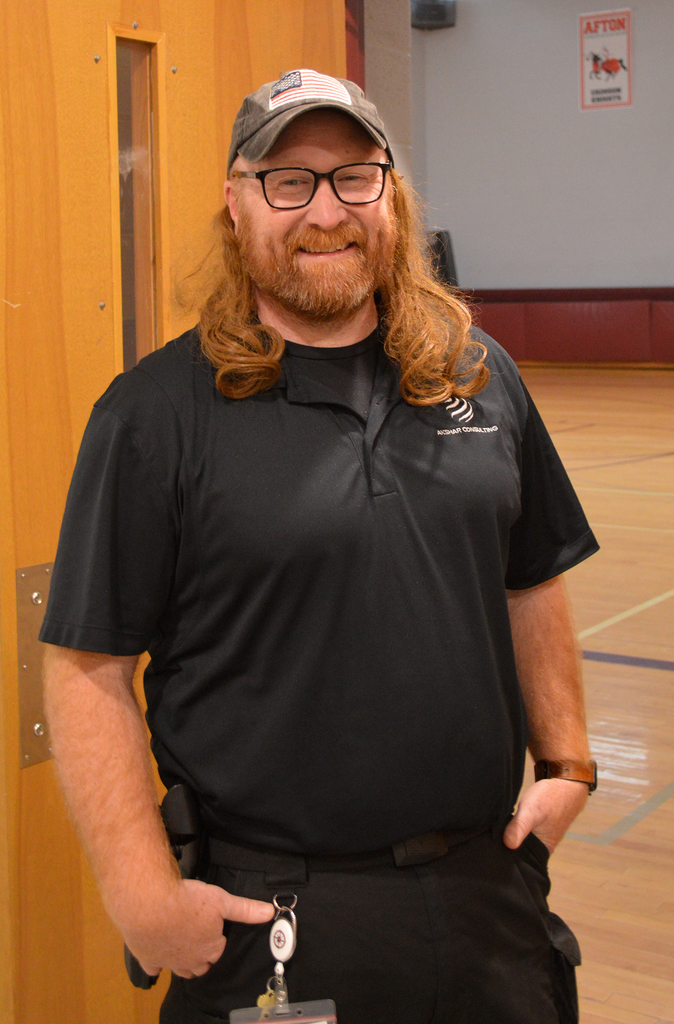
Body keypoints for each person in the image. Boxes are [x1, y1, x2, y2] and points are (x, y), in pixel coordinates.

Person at [41, 69, 599, 1024]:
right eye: (287, 180)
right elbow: (87, 663)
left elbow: (529, 573)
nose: (326, 211)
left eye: (354, 176)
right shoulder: (154, 416)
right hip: (276, 921)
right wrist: (141, 899)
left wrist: (569, 764)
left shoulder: (477, 370)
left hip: (488, 899)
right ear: (236, 203)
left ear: (390, 194)